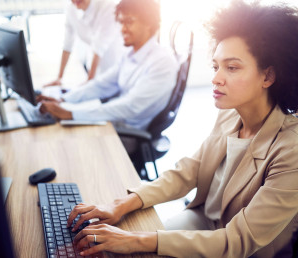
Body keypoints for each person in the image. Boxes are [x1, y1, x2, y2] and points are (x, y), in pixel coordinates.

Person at [65, 1, 298, 257]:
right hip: (203, 223)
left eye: (232, 67)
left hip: (241, 249)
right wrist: (120, 205)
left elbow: (236, 241)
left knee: (130, 245)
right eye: (215, 66)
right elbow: (190, 170)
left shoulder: (291, 151)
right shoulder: (230, 116)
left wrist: (135, 239)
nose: (216, 78)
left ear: (268, 77)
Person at [38, 0, 178, 136]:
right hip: (115, 121)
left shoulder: (162, 62)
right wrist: (64, 99)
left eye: (129, 22)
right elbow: (101, 85)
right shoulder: (129, 55)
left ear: (148, 23)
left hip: (129, 132)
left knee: (61, 137)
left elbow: (129, 106)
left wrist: (70, 113)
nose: (122, 29)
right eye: (121, 22)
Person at [44, 0, 124, 86]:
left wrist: (89, 82)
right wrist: (59, 78)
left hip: (113, 64)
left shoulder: (108, 6)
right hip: (92, 66)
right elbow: (67, 44)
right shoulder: (71, 9)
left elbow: (99, 47)